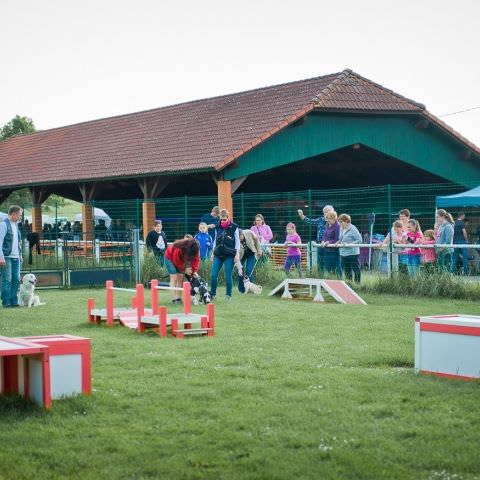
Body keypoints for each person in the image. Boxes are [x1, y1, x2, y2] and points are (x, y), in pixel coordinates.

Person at [210, 209, 240, 300]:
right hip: (218, 254)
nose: (222, 221)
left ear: (228, 218)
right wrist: (212, 253)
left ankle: (228, 295)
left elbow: (237, 241)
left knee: (228, 275)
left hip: (229, 255)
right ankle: (213, 294)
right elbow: (215, 240)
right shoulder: (217, 227)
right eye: (221, 219)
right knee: (213, 275)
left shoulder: (234, 227)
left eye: (224, 219)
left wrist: (237, 254)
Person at [298, 205, 334, 275]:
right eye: (325, 212)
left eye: (328, 212)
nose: (326, 213)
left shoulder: (335, 222)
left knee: (329, 264)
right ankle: (321, 277)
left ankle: (331, 278)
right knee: (320, 263)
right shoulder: (320, 220)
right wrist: (302, 216)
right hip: (320, 244)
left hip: (330, 246)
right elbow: (310, 221)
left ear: (333, 212)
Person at [0, 205, 23, 308]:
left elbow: (18, 243)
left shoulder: (16, 224)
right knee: (7, 279)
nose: (20, 217)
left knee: (16, 279)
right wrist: (1, 257)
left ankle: (14, 300)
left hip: (16, 257)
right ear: (13, 214)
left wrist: (20, 255)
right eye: (19, 215)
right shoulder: (3, 225)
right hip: (6, 257)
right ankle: (6, 301)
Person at [164, 238, 200, 303]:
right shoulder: (180, 248)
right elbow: (176, 261)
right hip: (169, 257)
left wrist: (194, 271)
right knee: (174, 277)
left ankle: (178, 298)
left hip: (179, 261)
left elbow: (196, 260)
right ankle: (173, 298)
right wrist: (185, 269)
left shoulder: (195, 249)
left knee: (180, 277)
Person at [337, 214, 362, 283]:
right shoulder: (341, 228)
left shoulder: (353, 229)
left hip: (353, 253)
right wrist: (338, 242)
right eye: (339, 222)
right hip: (343, 253)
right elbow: (341, 238)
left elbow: (359, 240)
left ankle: (357, 284)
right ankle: (349, 283)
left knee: (355, 269)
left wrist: (350, 244)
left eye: (341, 222)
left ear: (347, 221)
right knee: (347, 269)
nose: (340, 224)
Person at [320, 210, 342, 276]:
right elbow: (324, 235)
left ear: (334, 218)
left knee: (336, 267)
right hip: (327, 250)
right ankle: (331, 280)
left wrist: (328, 242)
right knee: (327, 267)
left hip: (334, 251)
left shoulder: (337, 226)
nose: (327, 220)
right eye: (327, 218)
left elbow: (337, 239)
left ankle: (339, 280)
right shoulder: (327, 225)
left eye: (329, 218)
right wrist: (323, 241)